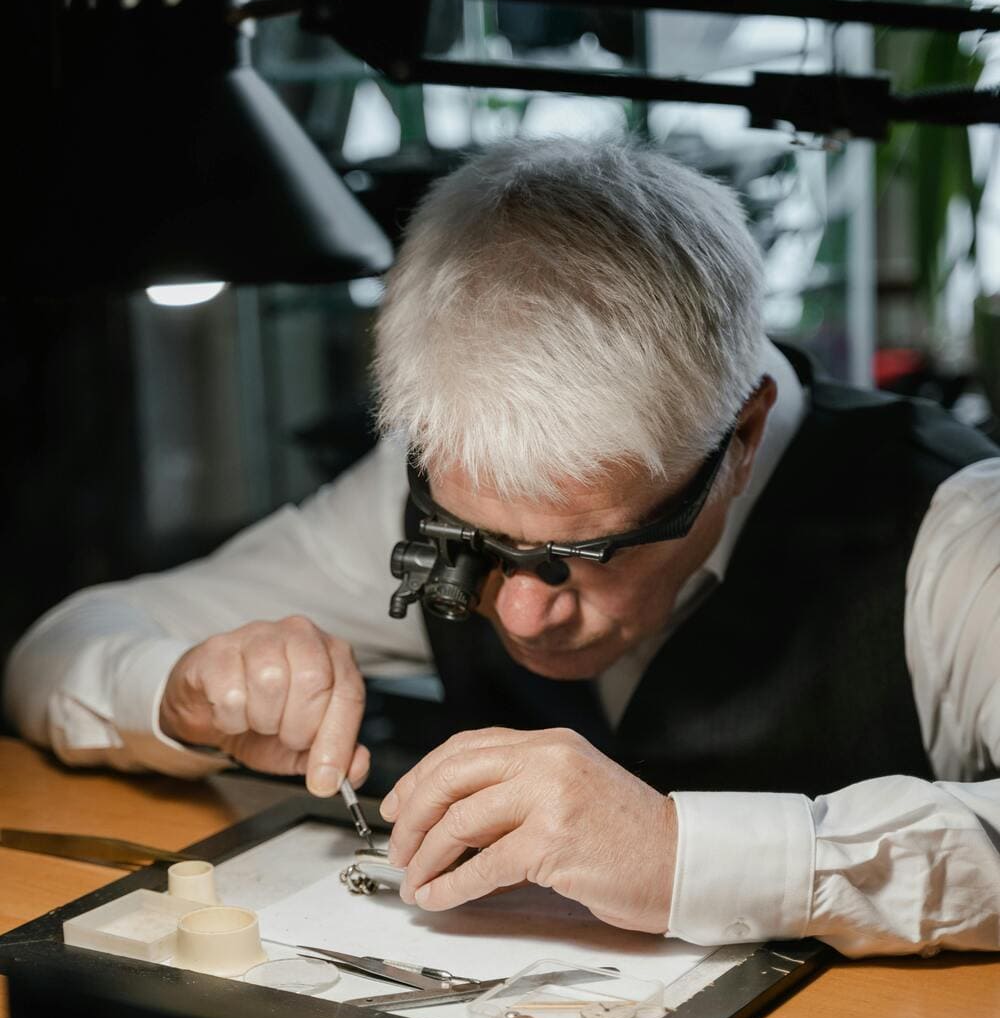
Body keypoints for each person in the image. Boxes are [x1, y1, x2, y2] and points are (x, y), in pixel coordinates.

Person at [6, 138, 1000, 956]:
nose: (522, 613)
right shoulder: (446, 468)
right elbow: (54, 651)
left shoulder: (953, 535)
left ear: (738, 438)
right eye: (476, 542)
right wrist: (183, 693)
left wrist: (678, 853)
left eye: (598, 548)